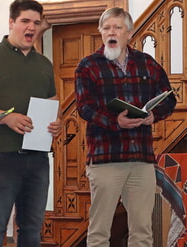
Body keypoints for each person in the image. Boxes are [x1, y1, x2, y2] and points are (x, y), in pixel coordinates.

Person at [74, 7, 176, 247]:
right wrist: (114, 122)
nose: (111, 32)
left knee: (142, 231)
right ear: (100, 31)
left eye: (117, 27)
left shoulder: (147, 64)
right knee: (99, 232)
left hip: (141, 159)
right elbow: (84, 107)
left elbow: (169, 98)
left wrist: (154, 114)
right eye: (106, 28)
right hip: (105, 159)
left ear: (129, 33)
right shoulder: (88, 66)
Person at [0, 0, 62, 246]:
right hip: (2, 156)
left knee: (32, 228)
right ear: (11, 23)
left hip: (38, 158)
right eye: (25, 21)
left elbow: (52, 102)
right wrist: (6, 117)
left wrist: (55, 125)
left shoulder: (44, 64)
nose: (32, 27)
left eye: (36, 23)